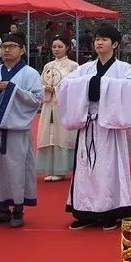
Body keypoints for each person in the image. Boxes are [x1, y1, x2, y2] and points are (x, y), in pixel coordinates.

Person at [57, 25, 131, 230]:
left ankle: (111, 211)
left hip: (110, 126)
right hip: (88, 124)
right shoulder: (85, 68)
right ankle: (85, 211)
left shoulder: (124, 69)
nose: (99, 42)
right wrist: (91, 82)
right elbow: (65, 86)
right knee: (86, 168)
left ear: (114, 44)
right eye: (97, 39)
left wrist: (101, 84)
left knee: (109, 170)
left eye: (104, 39)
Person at [0, 33, 43, 228]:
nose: (6, 50)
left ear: (22, 50)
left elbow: (36, 99)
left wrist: (13, 89)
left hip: (16, 130)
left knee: (17, 168)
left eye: (12, 46)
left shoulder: (30, 73)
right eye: (4, 46)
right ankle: (1, 209)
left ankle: (18, 210)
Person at [37, 36, 80, 182]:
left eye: (60, 46)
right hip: (49, 104)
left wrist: (56, 89)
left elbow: (75, 87)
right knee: (48, 134)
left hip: (64, 105)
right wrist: (46, 89)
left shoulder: (73, 66)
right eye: (54, 46)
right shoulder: (48, 66)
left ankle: (62, 170)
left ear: (67, 48)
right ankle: (50, 168)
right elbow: (40, 84)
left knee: (63, 135)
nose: (56, 49)